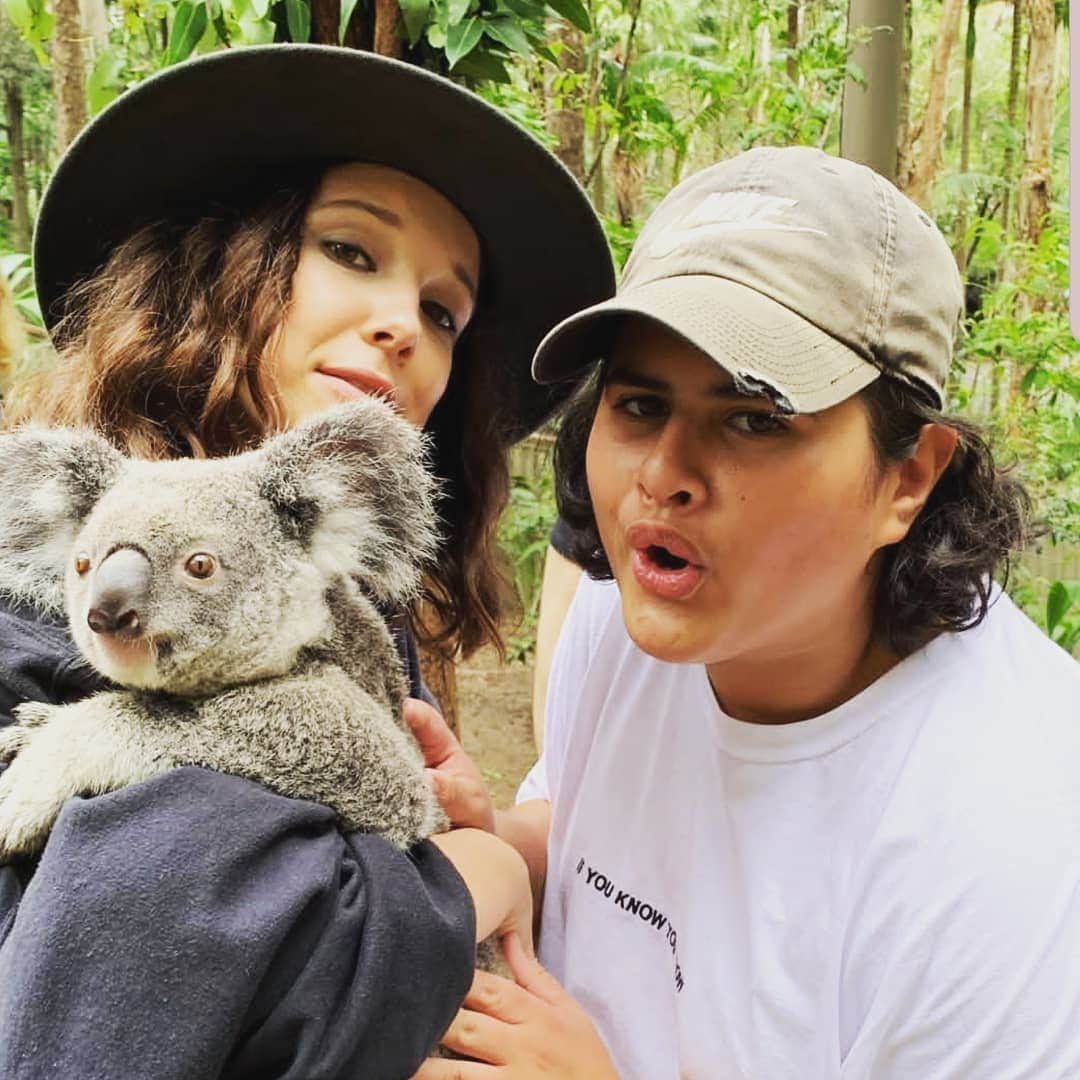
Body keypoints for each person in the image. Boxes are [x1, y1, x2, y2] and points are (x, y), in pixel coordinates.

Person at [0, 44, 613, 1079]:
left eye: (443, 312)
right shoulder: (34, 616)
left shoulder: (331, 607)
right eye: (353, 250)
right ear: (212, 263)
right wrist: (466, 882)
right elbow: (124, 964)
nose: (403, 327)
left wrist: (462, 847)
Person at [412, 146, 1080, 1078]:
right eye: (640, 404)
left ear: (908, 477)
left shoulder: (1014, 842)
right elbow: (592, 820)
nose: (662, 476)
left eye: (756, 418)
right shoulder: (629, 618)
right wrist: (495, 853)